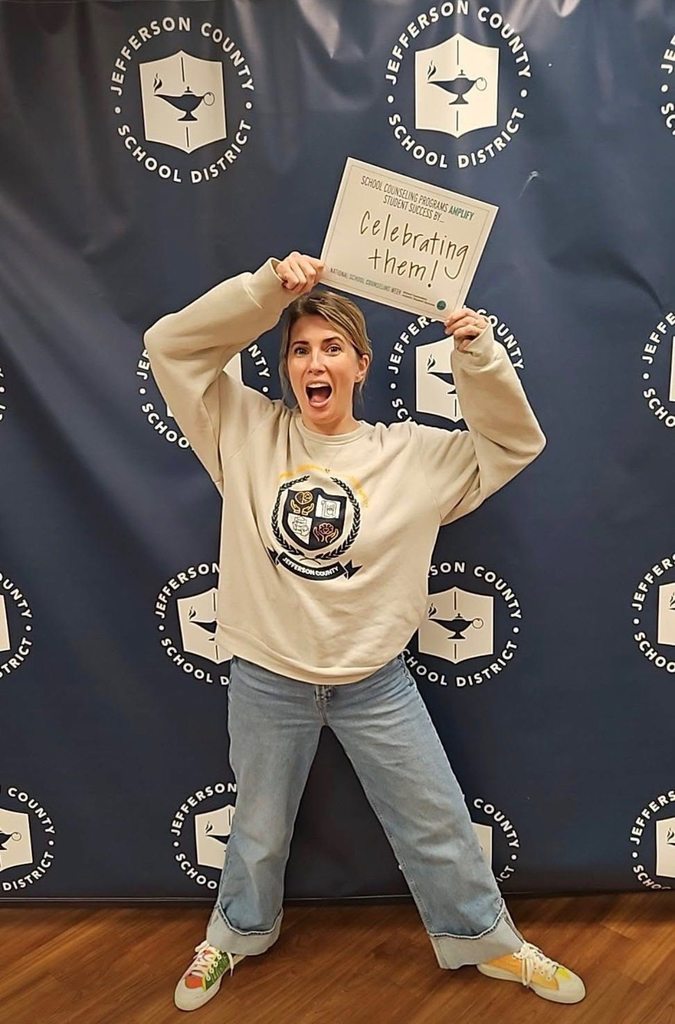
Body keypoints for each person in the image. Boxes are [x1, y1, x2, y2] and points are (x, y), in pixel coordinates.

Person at [145, 252, 585, 1012]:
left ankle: (488, 940)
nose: (314, 362)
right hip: (267, 675)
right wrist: (264, 293)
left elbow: (512, 444)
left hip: (374, 679)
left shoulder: (410, 454)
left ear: (360, 364)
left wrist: (475, 357)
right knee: (256, 830)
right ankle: (236, 934)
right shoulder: (243, 431)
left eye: (331, 348)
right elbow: (171, 348)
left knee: (437, 822)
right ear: (284, 367)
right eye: (298, 349)